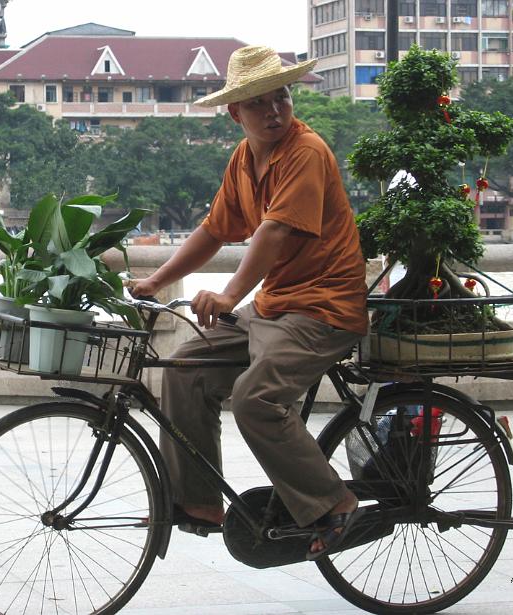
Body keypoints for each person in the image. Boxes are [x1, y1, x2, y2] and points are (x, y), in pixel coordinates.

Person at [129, 46, 369, 560]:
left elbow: (275, 232)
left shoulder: (305, 152)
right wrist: (156, 279)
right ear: (236, 112)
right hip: (278, 305)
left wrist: (231, 293)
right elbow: (215, 229)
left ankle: (335, 504)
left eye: (280, 97)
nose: (275, 110)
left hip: (323, 307)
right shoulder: (244, 157)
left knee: (256, 399)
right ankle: (197, 503)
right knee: (184, 369)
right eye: (259, 103)